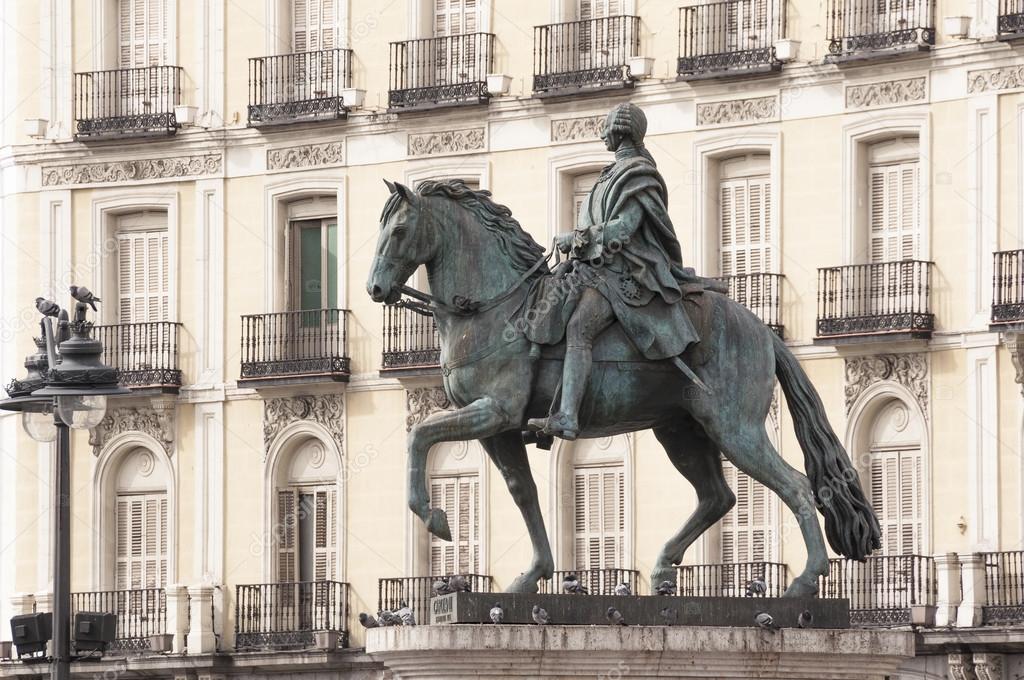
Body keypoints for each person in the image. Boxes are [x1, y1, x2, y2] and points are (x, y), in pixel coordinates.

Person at [527, 102, 707, 441]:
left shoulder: (637, 175)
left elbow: (624, 230)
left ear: (621, 129)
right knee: (544, 307)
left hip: (624, 273)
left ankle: (567, 415)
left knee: (580, 327)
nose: (602, 134)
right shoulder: (609, 174)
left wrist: (578, 238)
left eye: (606, 127)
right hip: (591, 269)